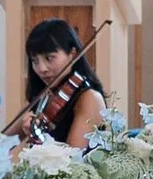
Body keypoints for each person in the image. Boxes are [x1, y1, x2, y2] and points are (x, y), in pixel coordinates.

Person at [9, 14, 107, 150]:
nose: (41, 68)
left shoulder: (90, 98)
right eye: (34, 61)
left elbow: (72, 162)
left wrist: (37, 138)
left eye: (49, 58)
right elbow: (2, 142)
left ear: (72, 54)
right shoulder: (44, 97)